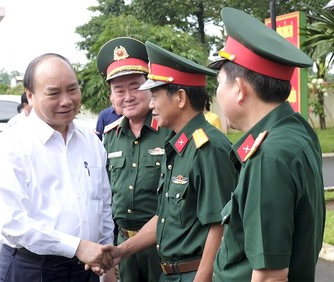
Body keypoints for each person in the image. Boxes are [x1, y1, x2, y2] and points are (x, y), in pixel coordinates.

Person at [103, 41, 238, 281]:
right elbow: (166, 216)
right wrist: (122, 251)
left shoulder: (208, 147)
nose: (151, 104)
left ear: (181, 98)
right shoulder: (178, 145)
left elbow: (220, 225)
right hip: (170, 272)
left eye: (154, 96)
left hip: (193, 273)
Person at [208, 7, 325, 281]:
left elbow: (270, 276)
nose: (217, 92)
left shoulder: (268, 156)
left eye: (219, 83)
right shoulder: (297, 131)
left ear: (239, 89)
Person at [0, 53, 114, 282]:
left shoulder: (91, 141)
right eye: (54, 93)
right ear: (30, 96)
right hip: (32, 269)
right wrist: (77, 246)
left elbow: (103, 204)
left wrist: (105, 258)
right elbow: (14, 223)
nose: (66, 100)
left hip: (86, 269)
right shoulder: (12, 145)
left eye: (72, 89)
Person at [96, 37, 168, 282]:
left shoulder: (170, 132)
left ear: (150, 87)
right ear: (111, 97)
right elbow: (104, 199)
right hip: (122, 247)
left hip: (164, 246)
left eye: (135, 86)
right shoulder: (109, 138)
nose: (128, 96)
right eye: (119, 90)